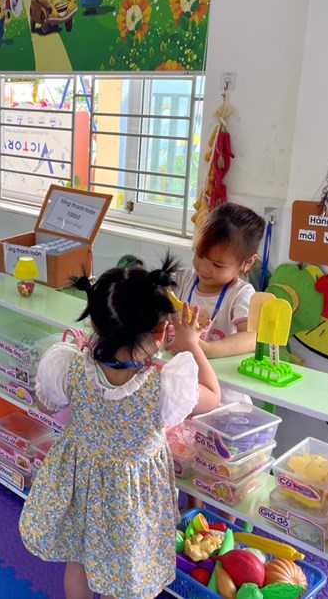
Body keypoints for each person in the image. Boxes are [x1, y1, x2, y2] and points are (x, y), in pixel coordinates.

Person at [19, 255, 220, 599]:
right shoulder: (164, 386)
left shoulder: (70, 366)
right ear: (162, 332)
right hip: (130, 496)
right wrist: (191, 344)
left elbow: (44, 404)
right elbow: (213, 396)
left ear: (94, 323)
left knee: (79, 559)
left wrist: (79, 353)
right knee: (122, 573)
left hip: (80, 482)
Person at [174, 202, 265, 379]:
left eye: (217, 265)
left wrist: (208, 349)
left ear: (247, 263)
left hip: (220, 384)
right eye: (200, 255)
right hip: (181, 377)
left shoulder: (241, 293)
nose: (203, 268)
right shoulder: (183, 280)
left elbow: (251, 338)